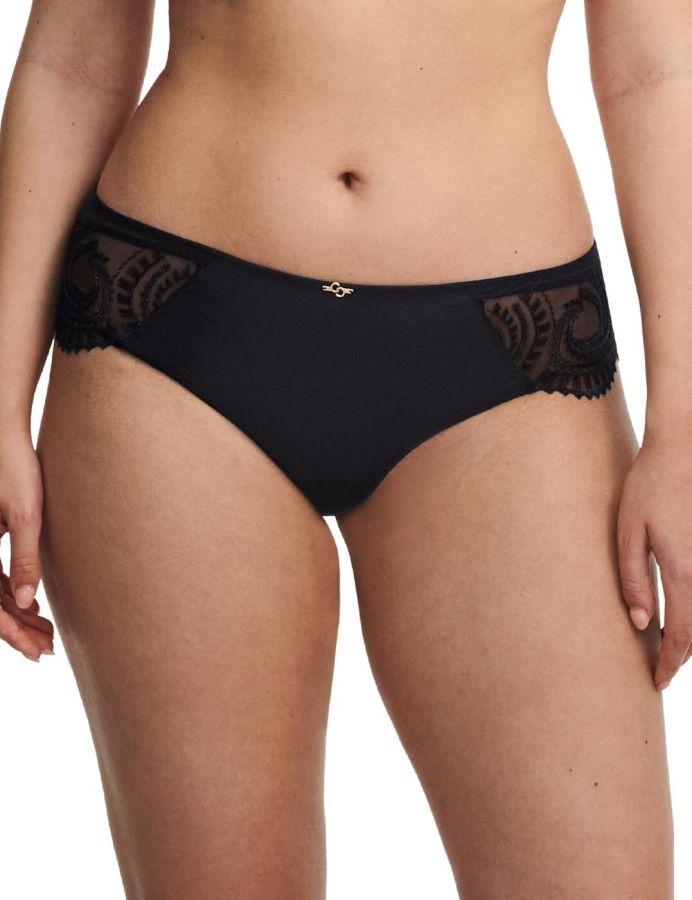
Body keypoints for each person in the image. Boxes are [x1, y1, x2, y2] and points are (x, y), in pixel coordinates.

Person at [0, 1, 689, 897]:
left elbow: (656, 72)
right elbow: (74, 60)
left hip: (513, 352)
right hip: (172, 333)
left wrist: (682, 430)